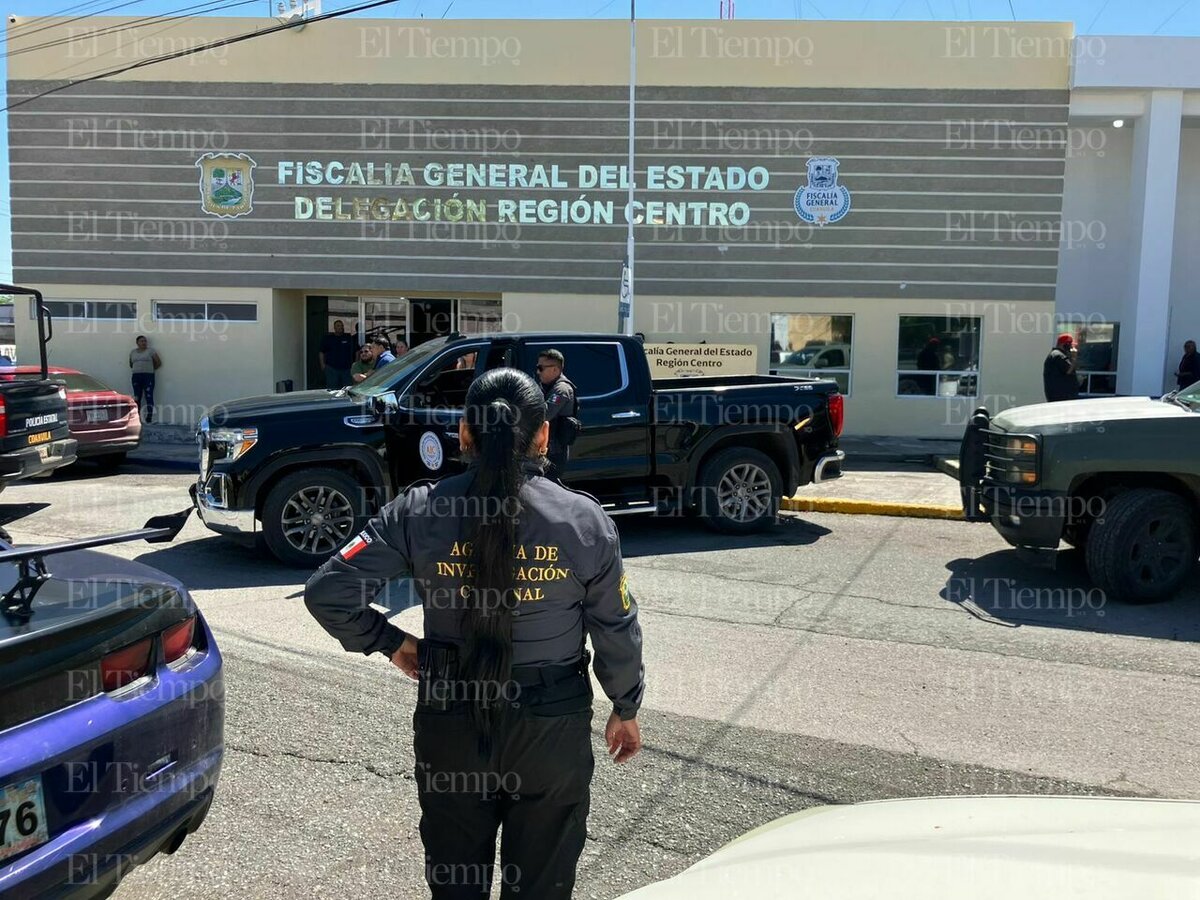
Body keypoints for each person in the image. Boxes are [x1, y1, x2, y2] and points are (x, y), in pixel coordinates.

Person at [305, 368, 644, 900]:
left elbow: (329, 592)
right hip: (550, 727)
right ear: (543, 435)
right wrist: (625, 705)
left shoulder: (418, 511)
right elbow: (614, 626)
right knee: (542, 886)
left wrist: (392, 643)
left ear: (464, 433)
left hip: (452, 720)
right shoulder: (584, 521)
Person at [536, 349, 579, 478]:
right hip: (547, 448)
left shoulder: (562, 390)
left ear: (555, 369)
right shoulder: (547, 386)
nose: (538, 372)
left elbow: (545, 415)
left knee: (549, 484)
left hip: (555, 450)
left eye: (541, 368)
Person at [129, 335, 161, 423]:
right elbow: (131, 364)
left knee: (149, 396)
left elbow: (158, 362)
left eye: (145, 341)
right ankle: (137, 416)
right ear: (137, 343)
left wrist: (149, 370)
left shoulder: (151, 351)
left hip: (148, 376)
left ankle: (149, 416)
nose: (144, 343)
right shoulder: (133, 352)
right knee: (137, 397)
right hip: (136, 376)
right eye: (142, 341)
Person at [319, 320, 356, 389]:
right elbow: (321, 352)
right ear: (334, 327)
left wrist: (355, 364)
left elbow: (357, 351)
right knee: (332, 390)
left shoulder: (348, 338)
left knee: (348, 389)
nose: (340, 327)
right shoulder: (328, 339)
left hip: (347, 369)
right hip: (331, 368)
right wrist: (322, 365)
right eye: (338, 326)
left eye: (342, 326)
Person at [1043, 333, 1081, 402]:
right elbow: (1068, 370)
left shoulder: (1056, 354)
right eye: (1069, 344)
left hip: (1059, 396)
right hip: (1061, 397)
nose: (1070, 347)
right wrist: (1074, 357)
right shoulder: (1059, 356)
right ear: (1064, 344)